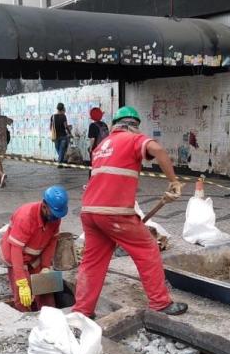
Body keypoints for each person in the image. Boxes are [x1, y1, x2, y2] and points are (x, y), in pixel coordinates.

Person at [73, 106, 188, 318]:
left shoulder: (101, 146)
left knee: (93, 262)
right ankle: (160, 303)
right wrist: (174, 181)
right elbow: (159, 151)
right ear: (132, 125)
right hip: (114, 213)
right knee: (147, 249)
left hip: (90, 212)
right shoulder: (132, 138)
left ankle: (82, 311)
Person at [0, 186, 68, 311]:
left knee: (45, 289)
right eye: (54, 214)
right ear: (44, 206)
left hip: (34, 257)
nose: (56, 219)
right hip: (16, 257)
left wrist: (46, 266)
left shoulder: (55, 218)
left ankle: (49, 315)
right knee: (23, 296)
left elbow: (52, 242)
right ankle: (26, 320)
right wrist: (22, 281)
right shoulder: (25, 217)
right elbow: (16, 250)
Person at [86, 107, 109, 178]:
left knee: (93, 166)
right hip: (105, 149)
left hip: (96, 149)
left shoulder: (92, 125)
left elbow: (92, 139)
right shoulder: (104, 125)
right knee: (103, 165)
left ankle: (91, 182)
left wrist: (90, 148)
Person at [51, 103, 71, 168]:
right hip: (63, 136)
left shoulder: (53, 116)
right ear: (63, 108)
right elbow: (66, 126)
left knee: (59, 150)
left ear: (57, 108)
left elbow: (51, 127)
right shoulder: (63, 116)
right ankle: (60, 163)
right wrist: (70, 133)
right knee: (61, 150)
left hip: (56, 136)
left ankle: (61, 162)